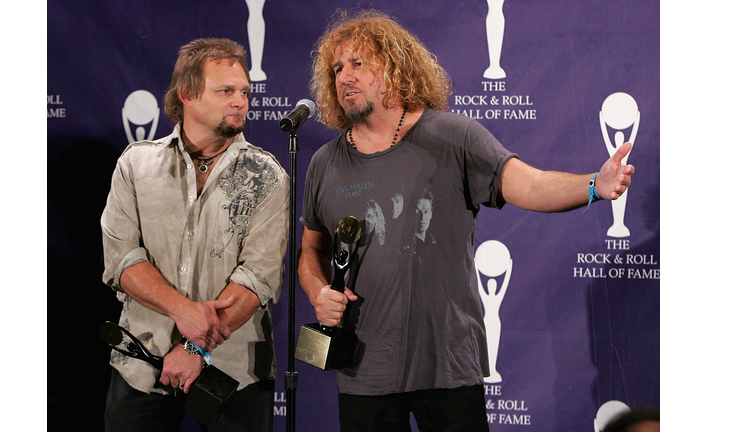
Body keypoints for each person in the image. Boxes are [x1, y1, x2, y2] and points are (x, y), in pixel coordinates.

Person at [297, 10, 634, 432]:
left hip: (448, 366)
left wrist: (593, 185)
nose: (345, 76)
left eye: (359, 63)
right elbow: (312, 248)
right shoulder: (325, 162)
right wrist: (316, 290)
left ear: (396, 65)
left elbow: (529, 185)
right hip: (365, 370)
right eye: (337, 68)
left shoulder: (454, 136)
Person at [101, 37, 289, 432]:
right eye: (225, 91)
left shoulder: (268, 175)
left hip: (233, 371)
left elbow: (258, 276)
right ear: (187, 94)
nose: (240, 101)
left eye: (244, 92)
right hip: (142, 360)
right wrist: (182, 310)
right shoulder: (137, 165)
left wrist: (193, 346)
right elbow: (122, 260)